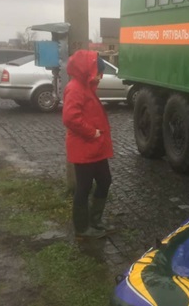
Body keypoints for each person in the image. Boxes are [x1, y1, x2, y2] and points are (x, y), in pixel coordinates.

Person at [62, 50, 114, 239]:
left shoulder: (86, 86)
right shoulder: (75, 88)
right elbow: (70, 118)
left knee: (105, 181)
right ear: (89, 70)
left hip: (95, 148)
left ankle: (95, 219)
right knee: (83, 188)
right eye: (99, 71)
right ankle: (82, 228)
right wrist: (92, 132)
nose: (100, 76)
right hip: (84, 148)